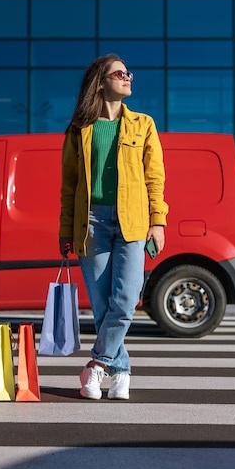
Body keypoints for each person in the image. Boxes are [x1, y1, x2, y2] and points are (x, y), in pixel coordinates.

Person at [59, 53, 169, 400]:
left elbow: (155, 179)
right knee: (104, 304)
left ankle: (96, 365)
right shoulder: (80, 129)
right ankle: (121, 372)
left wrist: (158, 221)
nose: (128, 78)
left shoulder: (143, 124)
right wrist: (66, 230)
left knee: (125, 301)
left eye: (128, 73)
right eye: (119, 73)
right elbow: (69, 185)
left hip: (132, 223)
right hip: (91, 223)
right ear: (101, 82)